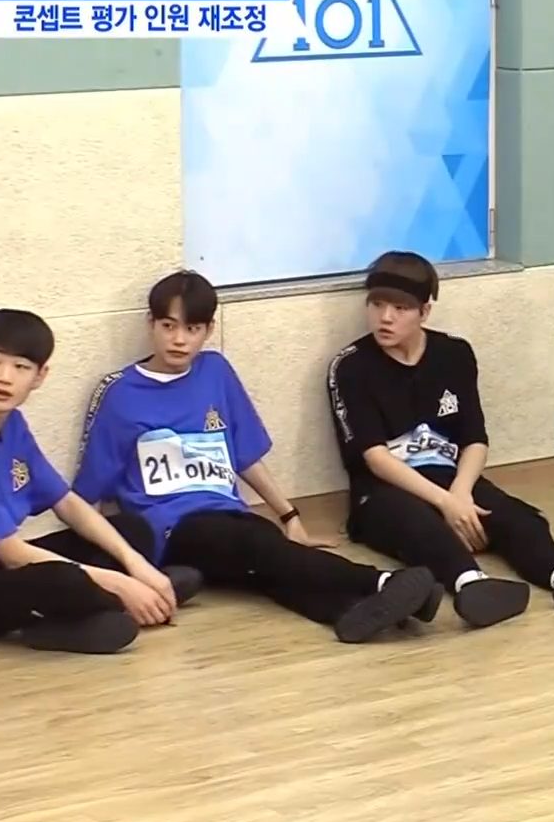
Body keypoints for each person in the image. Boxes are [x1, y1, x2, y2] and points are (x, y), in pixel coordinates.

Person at [73, 271, 443, 643]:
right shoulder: (119, 393)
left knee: (267, 565)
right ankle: (381, 581)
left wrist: (289, 517)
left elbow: (244, 455)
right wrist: (121, 569)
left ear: (209, 329)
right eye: (169, 326)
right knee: (260, 548)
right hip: (171, 531)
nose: (180, 339)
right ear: (150, 323)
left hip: (230, 514)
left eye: (192, 328)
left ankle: (350, 613)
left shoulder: (215, 371)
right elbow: (87, 496)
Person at [329, 252, 554, 625]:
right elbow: (375, 459)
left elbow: (475, 439)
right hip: (382, 491)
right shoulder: (351, 366)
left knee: (517, 518)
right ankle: (471, 584)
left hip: (450, 476)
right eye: (377, 304)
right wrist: (447, 504)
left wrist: (461, 493)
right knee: (420, 526)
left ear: (424, 311)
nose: (385, 317)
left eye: (400, 308)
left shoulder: (454, 354)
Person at [0, 309, 200, 654]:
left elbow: (67, 503)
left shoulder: (11, 424)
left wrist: (135, 563)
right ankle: (119, 605)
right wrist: (121, 582)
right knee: (62, 578)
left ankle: (114, 606)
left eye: (20, 367)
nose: (4, 377)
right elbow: (13, 555)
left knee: (132, 530)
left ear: (40, 376)